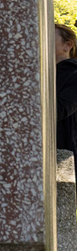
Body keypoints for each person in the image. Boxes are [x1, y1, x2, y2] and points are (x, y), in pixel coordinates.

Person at [55, 22, 77, 173]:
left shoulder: (74, 74)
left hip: (63, 155)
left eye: (50, 37)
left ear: (67, 45)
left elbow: (60, 110)